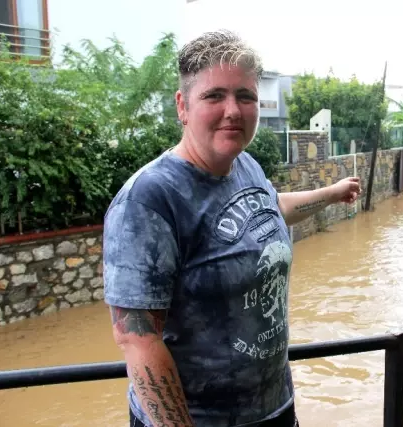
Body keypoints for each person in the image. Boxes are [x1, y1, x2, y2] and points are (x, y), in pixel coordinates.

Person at [103, 30, 361, 427]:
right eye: (214, 96)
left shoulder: (246, 165)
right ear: (182, 106)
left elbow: (268, 210)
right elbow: (138, 339)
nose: (234, 110)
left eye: (245, 96)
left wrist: (331, 193)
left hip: (274, 408)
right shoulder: (150, 199)